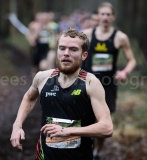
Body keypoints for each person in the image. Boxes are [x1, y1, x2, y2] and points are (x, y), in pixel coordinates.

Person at [10, 28, 113, 160]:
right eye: (62, 48)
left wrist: (67, 131)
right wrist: (17, 125)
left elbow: (107, 127)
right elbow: (29, 98)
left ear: (84, 55)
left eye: (73, 49)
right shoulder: (42, 77)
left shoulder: (91, 83)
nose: (66, 53)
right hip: (45, 156)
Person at [82, 2, 136, 159]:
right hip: (87, 83)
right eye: (102, 14)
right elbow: (73, 51)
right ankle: (86, 148)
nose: (105, 17)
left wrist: (124, 72)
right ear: (97, 16)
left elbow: (132, 60)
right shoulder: (87, 34)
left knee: (103, 121)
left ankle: (96, 152)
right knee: (85, 117)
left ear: (113, 17)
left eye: (108, 14)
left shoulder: (120, 37)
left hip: (108, 84)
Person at [25, 12, 57, 76]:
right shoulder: (34, 26)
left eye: (45, 19)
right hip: (36, 49)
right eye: (43, 18)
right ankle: (34, 81)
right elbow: (29, 36)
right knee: (34, 68)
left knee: (43, 66)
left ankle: (44, 81)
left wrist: (53, 44)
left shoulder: (51, 28)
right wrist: (37, 33)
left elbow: (54, 37)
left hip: (45, 49)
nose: (44, 20)